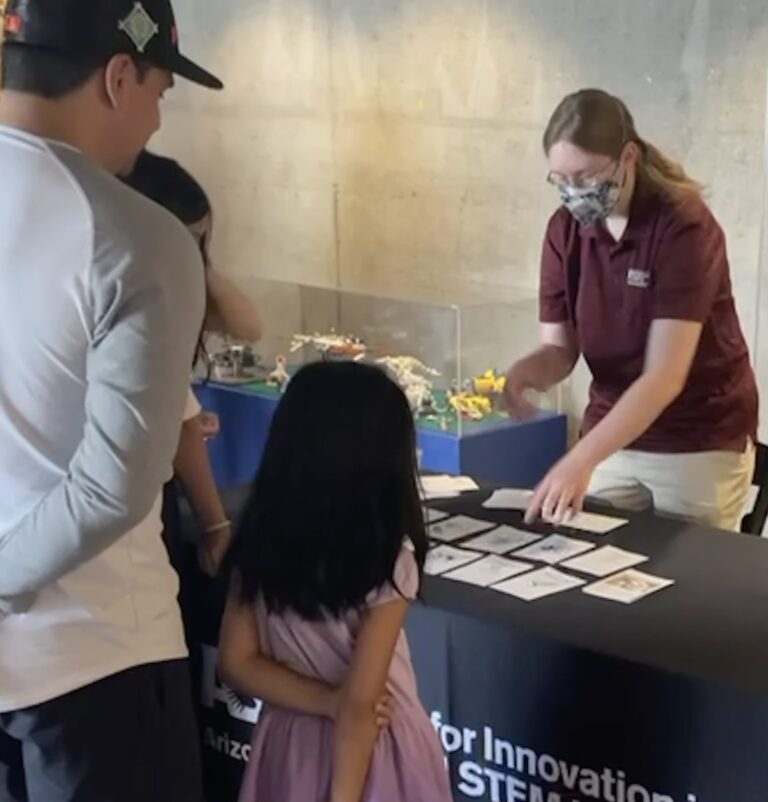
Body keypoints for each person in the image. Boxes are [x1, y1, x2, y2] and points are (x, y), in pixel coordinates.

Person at [0, 0, 223, 799]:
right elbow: (113, 487)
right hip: (99, 662)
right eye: (161, 92)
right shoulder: (136, 233)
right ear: (118, 75)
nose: (157, 123)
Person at [505, 88, 758, 531]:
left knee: (686, 581)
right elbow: (560, 350)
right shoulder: (564, 231)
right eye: (559, 180)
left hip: (697, 437)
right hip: (613, 432)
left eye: (584, 177)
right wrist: (524, 375)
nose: (572, 193)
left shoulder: (684, 226)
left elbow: (664, 376)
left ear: (627, 158)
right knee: (587, 560)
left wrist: (577, 460)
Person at [219, 361, 453, 802]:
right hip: (376, 753)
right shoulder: (389, 562)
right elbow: (361, 707)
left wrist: (323, 701)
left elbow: (236, 662)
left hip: (290, 743)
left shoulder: (256, 541)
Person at [124, 150, 262, 577]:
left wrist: (200, 265)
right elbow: (180, 429)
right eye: (185, 240)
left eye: (201, 241)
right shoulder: (140, 304)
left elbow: (248, 325)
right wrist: (216, 522)